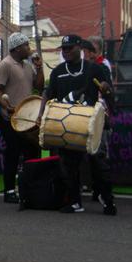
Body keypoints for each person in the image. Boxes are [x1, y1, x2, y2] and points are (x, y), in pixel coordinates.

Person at [39, 35, 115, 215]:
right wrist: (41, 114)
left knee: (99, 163)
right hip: (68, 124)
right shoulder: (58, 71)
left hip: (90, 123)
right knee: (69, 165)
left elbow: (109, 90)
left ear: (79, 48)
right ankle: (75, 202)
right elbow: (48, 94)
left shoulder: (94, 68)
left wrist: (106, 88)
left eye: (69, 48)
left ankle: (108, 200)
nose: (65, 52)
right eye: (63, 49)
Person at [0, 32, 44, 203]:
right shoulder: (5, 65)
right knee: (12, 154)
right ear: (17, 48)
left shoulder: (28, 65)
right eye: (26, 45)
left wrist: (40, 67)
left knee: (32, 153)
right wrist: (5, 106)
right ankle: (9, 191)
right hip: (10, 118)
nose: (29, 48)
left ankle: (30, 189)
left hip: (28, 119)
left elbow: (38, 86)